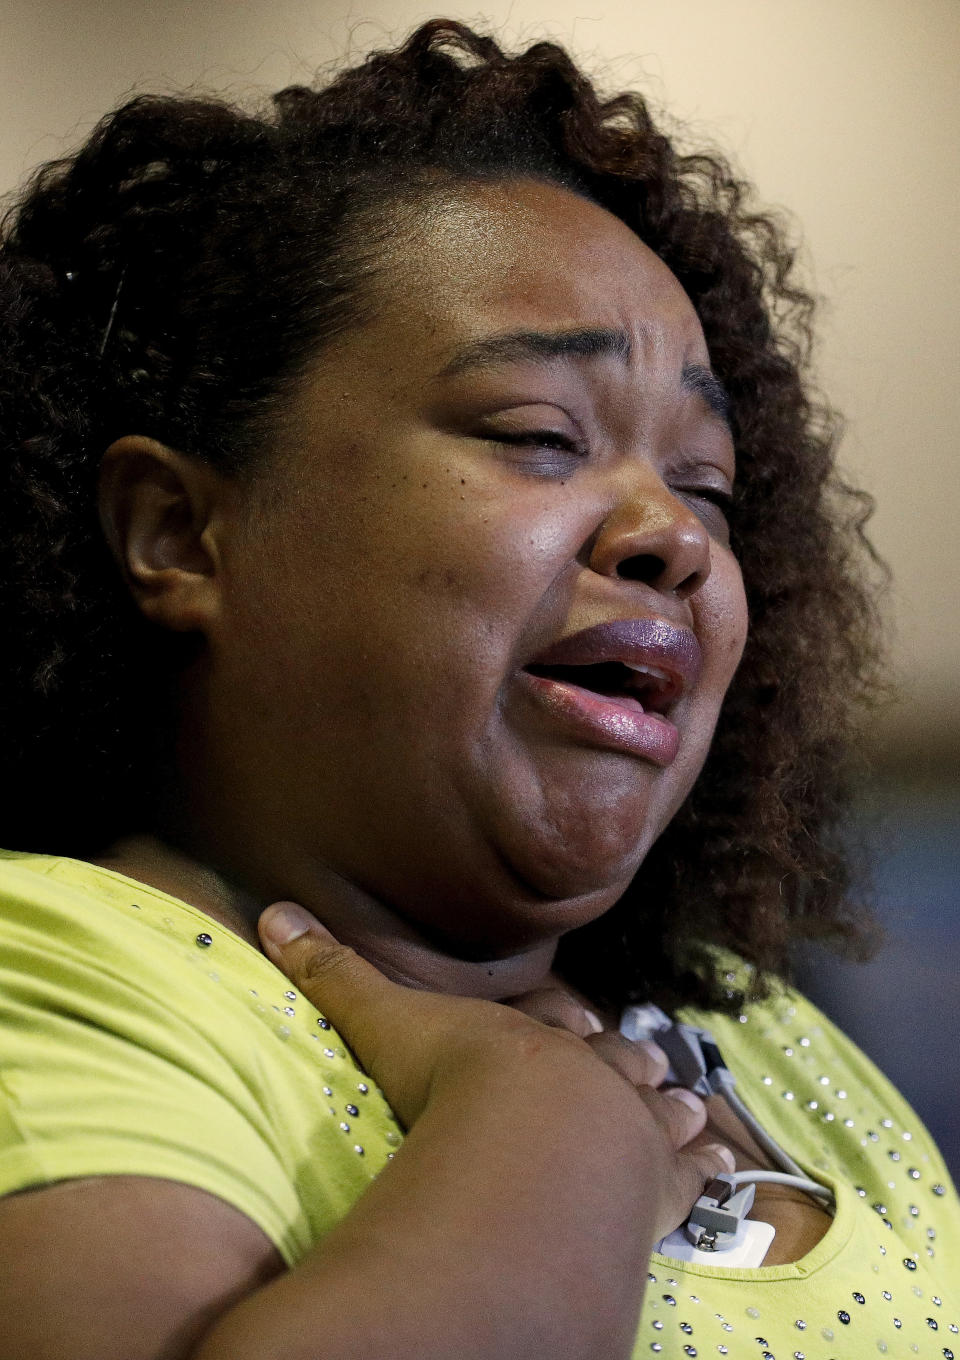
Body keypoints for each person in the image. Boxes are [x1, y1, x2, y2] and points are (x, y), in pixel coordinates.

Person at [0, 17, 955, 1359]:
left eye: (707, 487)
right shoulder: (53, 977)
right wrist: (552, 1136)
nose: (672, 534)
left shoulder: (767, 1038)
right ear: (178, 533)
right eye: (539, 436)